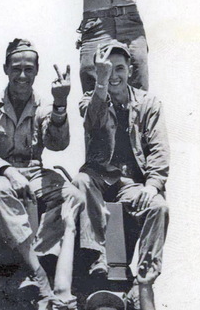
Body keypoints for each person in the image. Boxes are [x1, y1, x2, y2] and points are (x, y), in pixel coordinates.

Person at [0, 39, 71, 296]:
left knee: (70, 194)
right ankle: (36, 270)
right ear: (5, 69)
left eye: (29, 69)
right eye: (16, 68)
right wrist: (8, 171)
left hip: (34, 173)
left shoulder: (42, 106)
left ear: (37, 71)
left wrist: (60, 105)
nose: (22, 75)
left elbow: (58, 144)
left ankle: (41, 255)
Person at [71, 41, 170, 280]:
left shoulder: (149, 105)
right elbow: (93, 121)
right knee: (81, 182)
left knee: (159, 207)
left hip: (131, 185)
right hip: (99, 177)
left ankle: (145, 277)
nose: (114, 76)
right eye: (106, 69)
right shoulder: (89, 100)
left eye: (119, 69)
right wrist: (101, 84)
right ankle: (97, 256)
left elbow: (159, 149)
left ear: (130, 70)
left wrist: (152, 185)